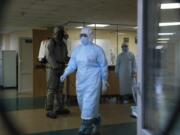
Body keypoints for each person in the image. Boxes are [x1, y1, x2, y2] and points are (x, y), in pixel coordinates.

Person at [60, 27, 109, 135]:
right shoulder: (77, 50)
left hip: (93, 81)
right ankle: (96, 121)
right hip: (81, 82)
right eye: (81, 35)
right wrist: (65, 73)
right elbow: (72, 64)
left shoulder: (98, 50)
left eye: (85, 35)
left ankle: (84, 129)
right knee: (83, 105)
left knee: (88, 106)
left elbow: (103, 66)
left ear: (91, 36)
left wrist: (104, 80)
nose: (82, 37)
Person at [45, 26, 70, 118]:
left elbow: (65, 57)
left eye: (62, 32)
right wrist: (55, 66)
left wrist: (73, 60)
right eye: (59, 32)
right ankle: (50, 110)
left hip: (61, 68)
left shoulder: (63, 44)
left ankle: (59, 108)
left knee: (60, 89)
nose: (61, 34)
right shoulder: (51, 42)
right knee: (51, 89)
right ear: (55, 33)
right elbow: (49, 56)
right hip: (53, 69)